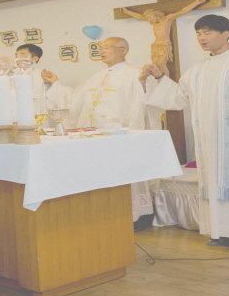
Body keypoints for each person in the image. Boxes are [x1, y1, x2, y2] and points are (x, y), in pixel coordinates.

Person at [140, 14, 229, 252]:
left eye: (208, 32)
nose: (202, 38)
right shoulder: (197, 71)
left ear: (225, 34)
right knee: (214, 182)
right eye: (199, 34)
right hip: (209, 141)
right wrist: (159, 76)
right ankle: (222, 231)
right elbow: (179, 98)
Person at [43, 37, 162, 228]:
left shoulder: (135, 74)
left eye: (107, 47)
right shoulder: (97, 76)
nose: (102, 51)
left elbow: (149, 101)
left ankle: (134, 217)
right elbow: (74, 100)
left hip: (120, 138)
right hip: (93, 139)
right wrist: (56, 84)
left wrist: (143, 84)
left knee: (124, 175)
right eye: (101, 48)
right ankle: (105, 217)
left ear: (123, 50)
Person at [120, 0, 207, 77]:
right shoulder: (154, 23)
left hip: (165, 45)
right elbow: (139, 16)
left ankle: (166, 81)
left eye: (149, 17)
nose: (149, 19)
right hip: (156, 46)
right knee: (155, 65)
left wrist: (196, 2)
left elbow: (182, 11)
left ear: (155, 14)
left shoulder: (167, 19)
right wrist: (127, 12)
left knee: (161, 63)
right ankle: (159, 81)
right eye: (147, 18)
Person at [16, 44, 49, 117]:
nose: (17, 59)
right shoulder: (12, 76)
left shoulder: (43, 75)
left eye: (22, 55)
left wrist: (47, 83)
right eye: (16, 55)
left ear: (35, 59)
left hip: (38, 117)